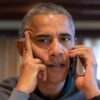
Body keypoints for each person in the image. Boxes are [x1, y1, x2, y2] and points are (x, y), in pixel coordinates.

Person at [0, 2, 100, 100]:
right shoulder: (5, 92)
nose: (56, 51)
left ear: (75, 45)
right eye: (43, 40)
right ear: (22, 48)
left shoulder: (95, 90)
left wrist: (91, 92)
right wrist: (22, 91)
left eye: (64, 39)